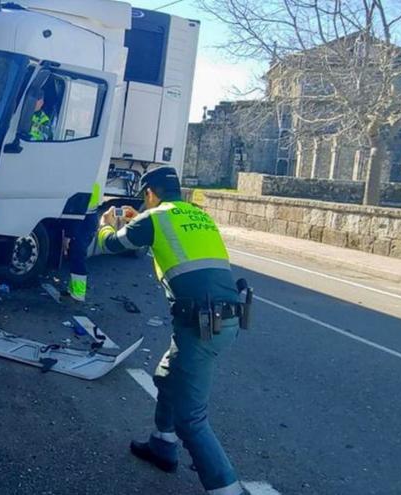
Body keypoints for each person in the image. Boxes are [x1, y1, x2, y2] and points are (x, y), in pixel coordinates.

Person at [96, 167, 249, 495]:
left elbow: (112, 244)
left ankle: (229, 489)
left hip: (200, 325)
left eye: (143, 196)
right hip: (225, 318)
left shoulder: (153, 219)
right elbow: (171, 235)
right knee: (167, 375)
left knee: (191, 419)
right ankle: (163, 444)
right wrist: (142, 219)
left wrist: (105, 225)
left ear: (149, 192)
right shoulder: (196, 214)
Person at [64, 183, 102, 302]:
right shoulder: (94, 184)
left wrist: (68, 235)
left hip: (84, 221)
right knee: (75, 256)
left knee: (77, 256)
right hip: (90, 220)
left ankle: (79, 293)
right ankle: (72, 290)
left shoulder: (85, 185)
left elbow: (76, 213)